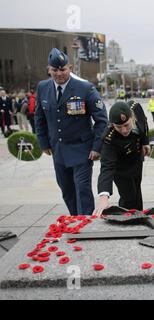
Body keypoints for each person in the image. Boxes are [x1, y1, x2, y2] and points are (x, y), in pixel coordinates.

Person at [35, 48, 108, 216]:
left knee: (82, 189)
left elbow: (102, 120)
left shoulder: (85, 88)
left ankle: (87, 224)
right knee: (67, 191)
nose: (59, 73)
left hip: (82, 150)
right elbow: (39, 117)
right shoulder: (43, 87)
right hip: (58, 150)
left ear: (70, 67)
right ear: (49, 69)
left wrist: (97, 147)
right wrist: (43, 142)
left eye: (63, 69)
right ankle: (76, 221)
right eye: (55, 70)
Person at [93, 101, 150, 216]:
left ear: (132, 117)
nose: (124, 130)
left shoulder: (136, 108)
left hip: (136, 159)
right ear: (112, 124)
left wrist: (145, 142)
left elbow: (144, 123)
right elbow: (106, 168)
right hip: (121, 168)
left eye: (126, 125)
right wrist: (104, 198)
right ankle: (126, 219)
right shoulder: (109, 139)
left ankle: (138, 217)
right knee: (129, 197)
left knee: (137, 192)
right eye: (119, 127)